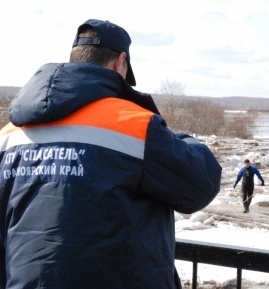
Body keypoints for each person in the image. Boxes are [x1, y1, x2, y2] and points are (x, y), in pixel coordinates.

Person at [0, 19, 222, 289]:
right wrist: (183, 140)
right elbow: (200, 184)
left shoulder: (9, 134)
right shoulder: (135, 125)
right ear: (120, 62)